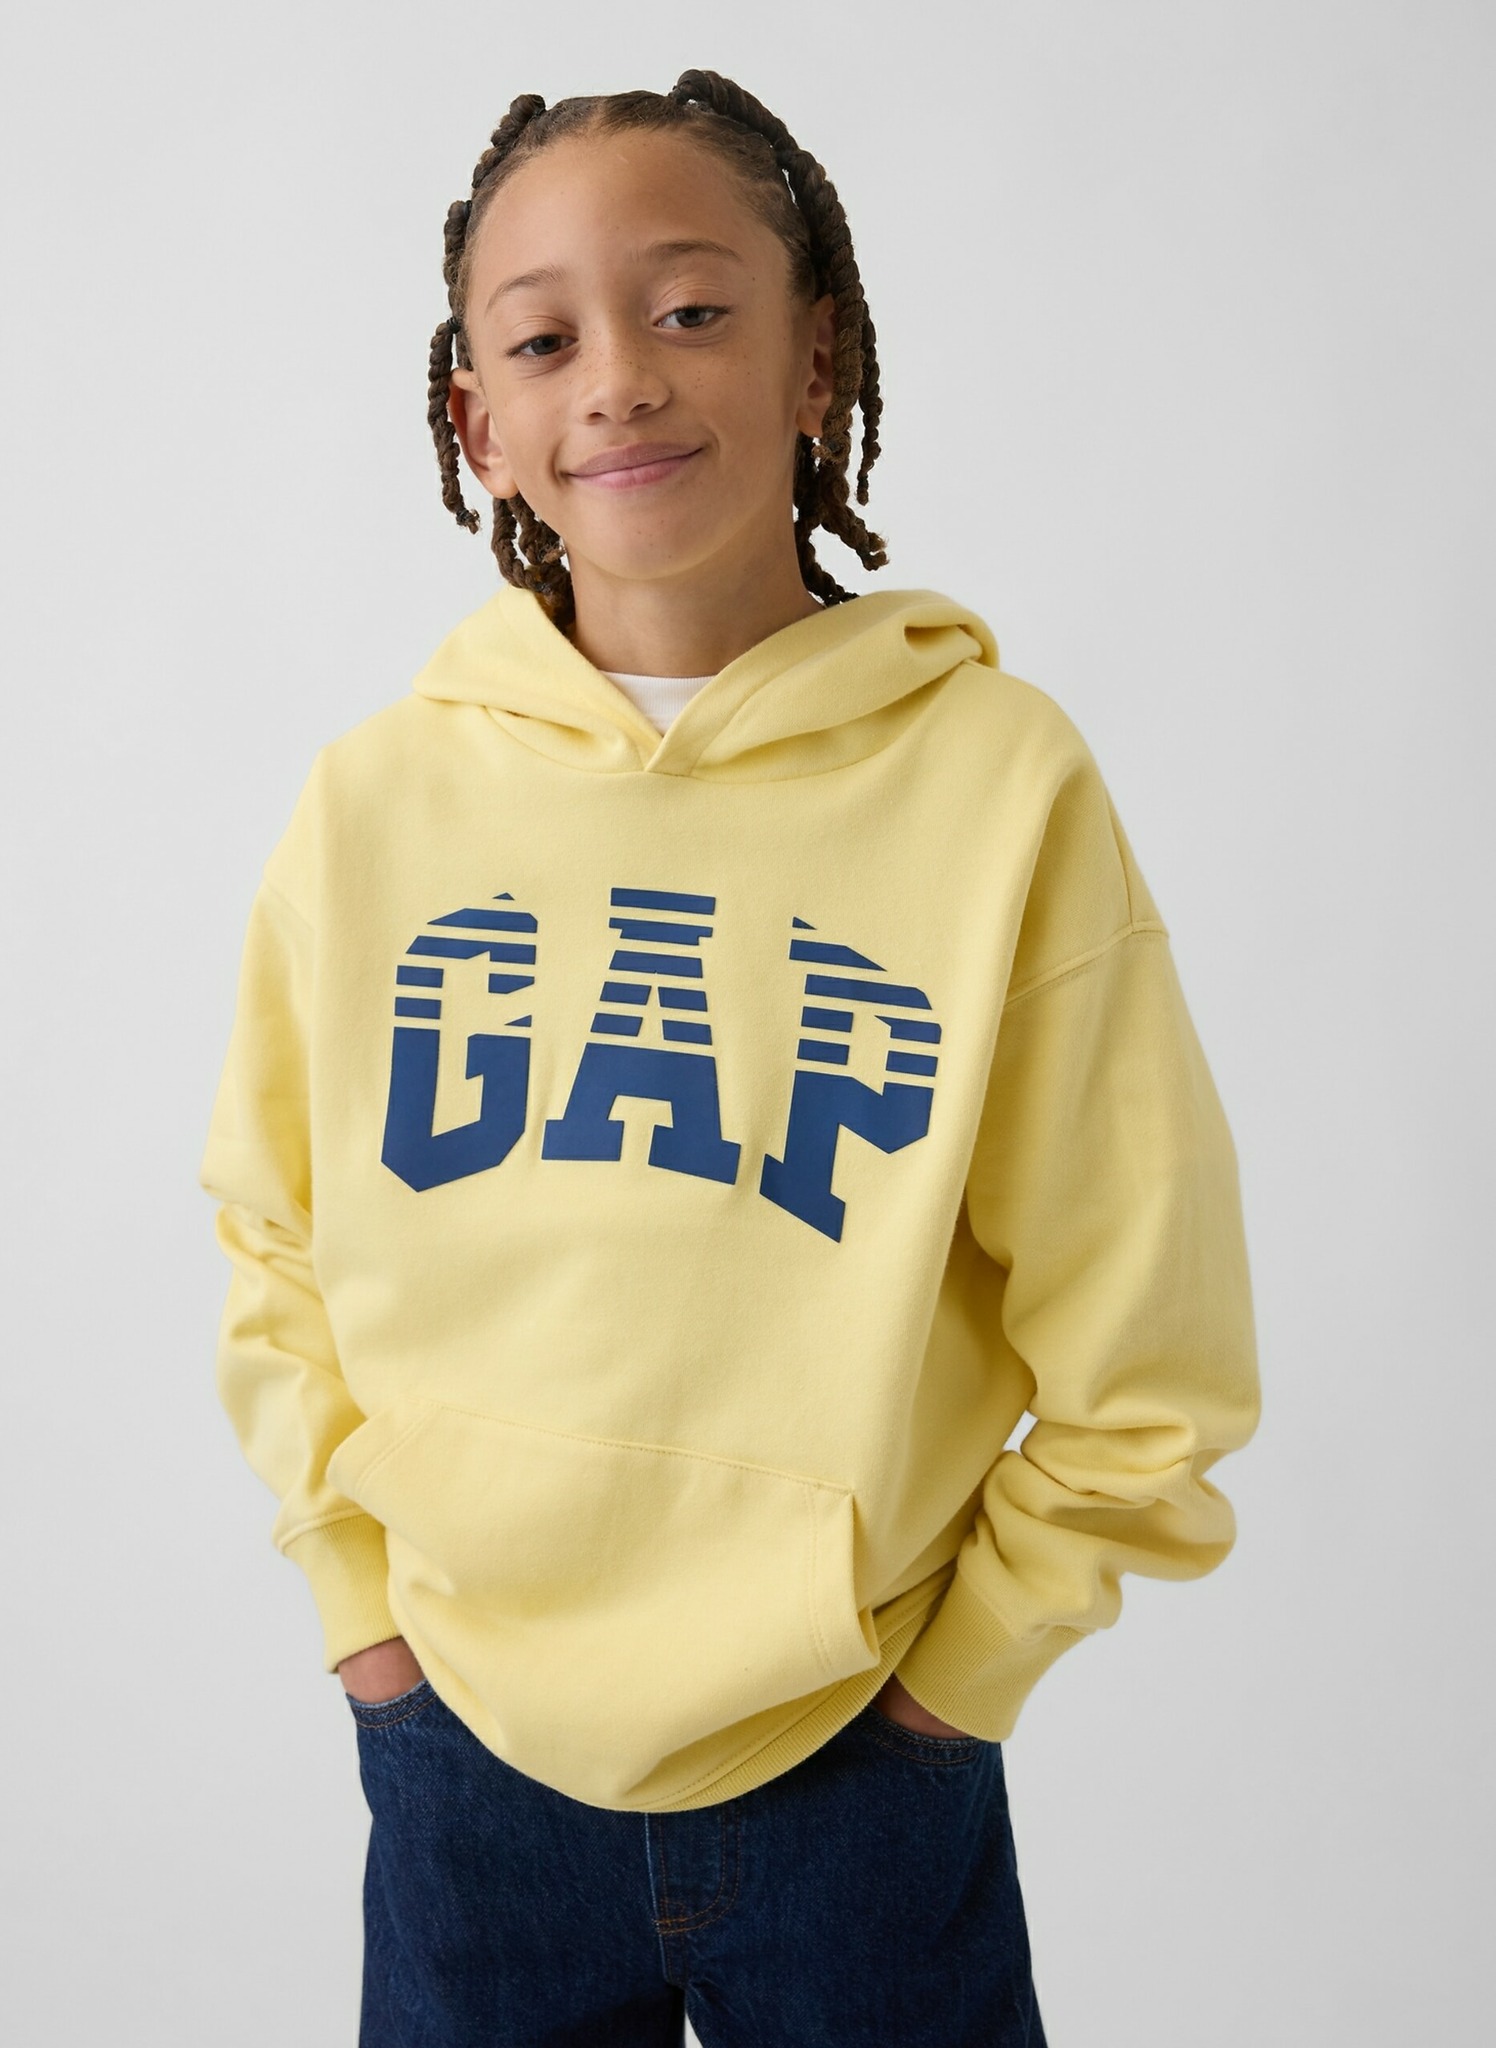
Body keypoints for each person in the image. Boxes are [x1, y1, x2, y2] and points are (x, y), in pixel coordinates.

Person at [199, 69, 1261, 2048]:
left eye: (691, 308)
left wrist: (957, 1685)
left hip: (862, 1763)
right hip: (463, 1759)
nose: (621, 377)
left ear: (816, 356)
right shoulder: (376, 802)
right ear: (478, 421)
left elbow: (1153, 1344)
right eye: (544, 340)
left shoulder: (998, 785)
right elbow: (274, 1237)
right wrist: (364, 1620)